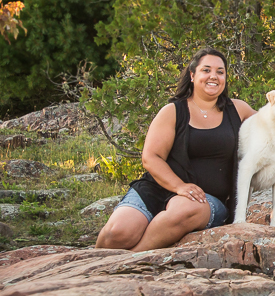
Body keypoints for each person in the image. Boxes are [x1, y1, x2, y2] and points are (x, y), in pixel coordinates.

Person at [96, 48, 256, 251]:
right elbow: (151, 157)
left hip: (204, 201)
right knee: (117, 233)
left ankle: (130, 259)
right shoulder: (173, 111)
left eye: (220, 71)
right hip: (156, 190)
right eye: (206, 70)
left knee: (184, 209)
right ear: (192, 75)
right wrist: (180, 186)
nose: (213, 76)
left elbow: (269, 127)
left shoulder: (238, 109)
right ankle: (88, 267)